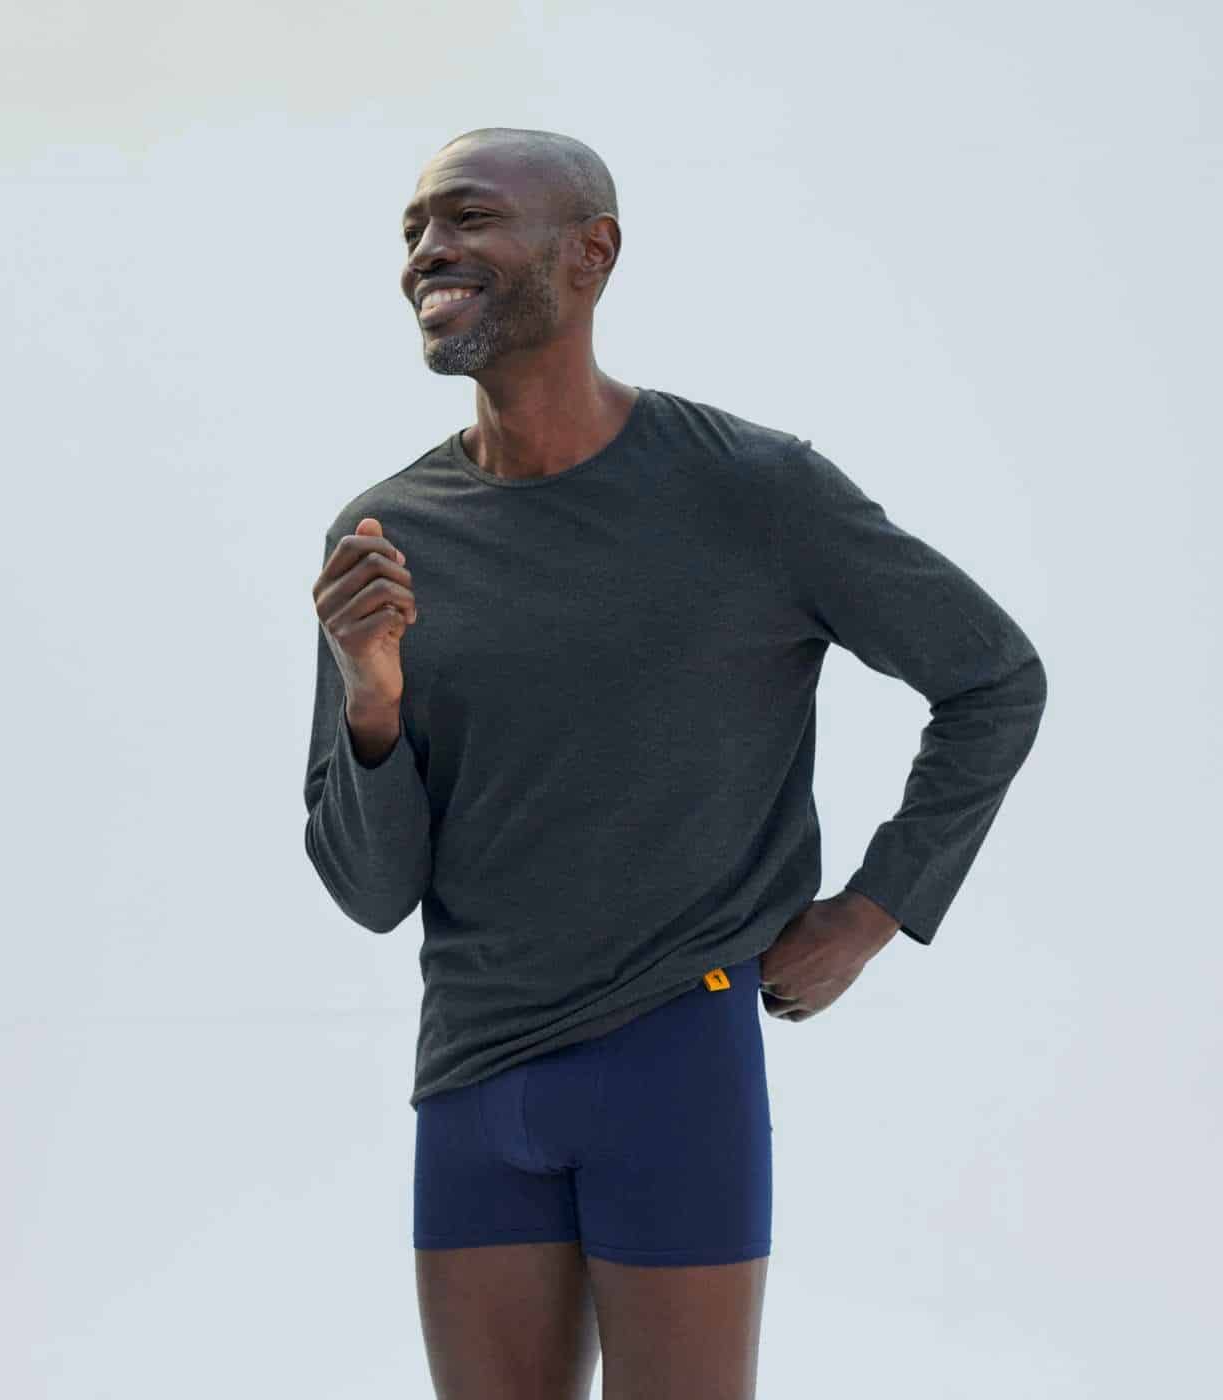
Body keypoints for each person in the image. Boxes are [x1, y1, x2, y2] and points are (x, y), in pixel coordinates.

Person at [305, 126, 1047, 1399]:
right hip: (471, 1077)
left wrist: (872, 912)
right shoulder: (386, 537)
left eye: (468, 218)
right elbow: (374, 893)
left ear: (588, 252)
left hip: (671, 1053)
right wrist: (371, 700)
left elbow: (990, 678)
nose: (430, 249)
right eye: (414, 228)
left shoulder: (753, 491)